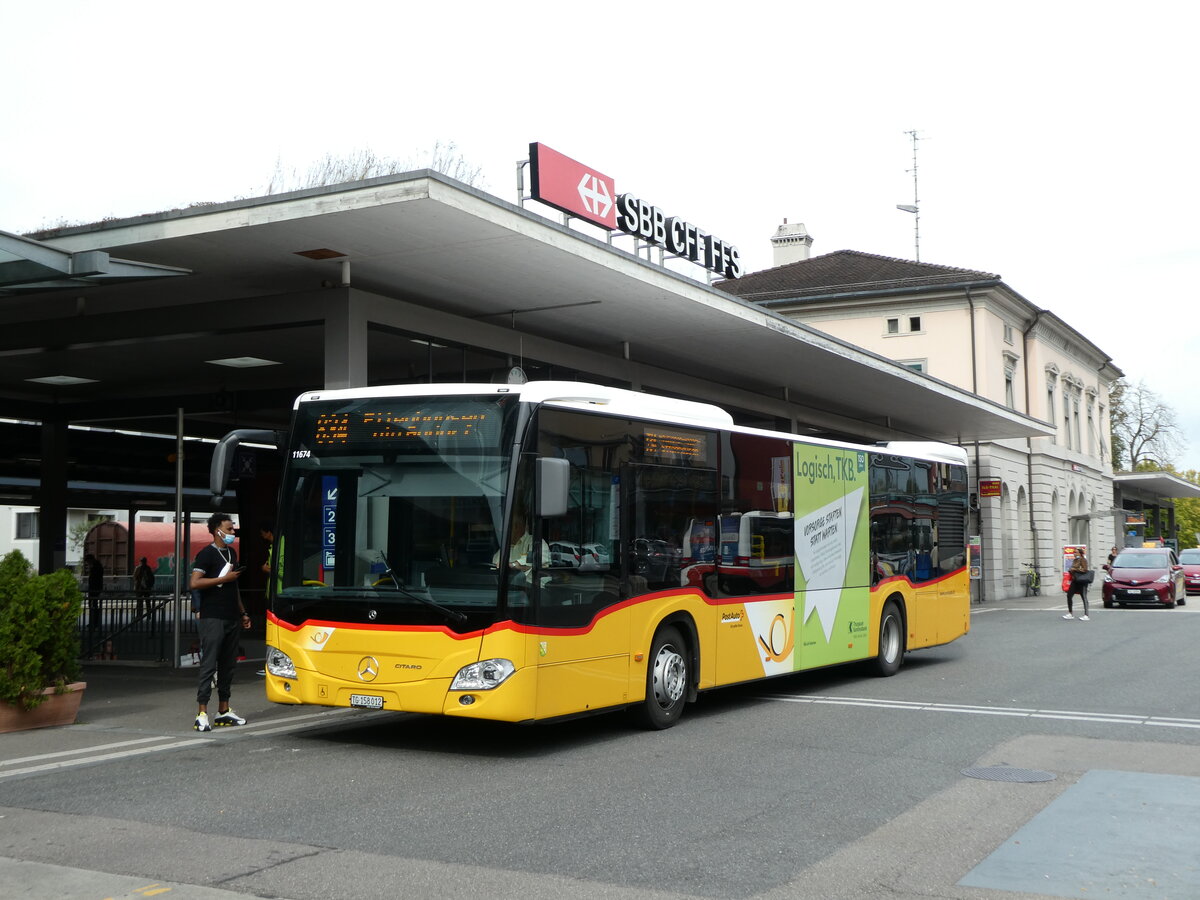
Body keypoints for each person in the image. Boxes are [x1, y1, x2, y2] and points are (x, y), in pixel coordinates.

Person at [190, 512, 251, 731]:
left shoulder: (231, 553)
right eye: (228, 529)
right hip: (212, 616)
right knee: (209, 664)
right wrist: (222, 579)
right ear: (216, 530)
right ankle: (202, 712)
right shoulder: (206, 554)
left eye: (232, 529)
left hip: (231, 616)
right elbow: (194, 583)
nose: (232, 532)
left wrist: (243, 613)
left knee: (228, 665)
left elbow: (233, 588)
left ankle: (224, 710)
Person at [1063, 547, 1090, 621]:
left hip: (1082, 581)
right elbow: (1073, 569)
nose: (1074, 553)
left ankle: (1086, 615)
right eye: (1074, 552)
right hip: (1075, 580)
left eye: (1076, 552)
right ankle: (1070, 613)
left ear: (1080, 553)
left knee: (1083, 597)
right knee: (1069, 595)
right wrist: (1071, 570)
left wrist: (1075, 569)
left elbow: (1085, 569)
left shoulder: (1083, 560)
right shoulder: (1075, 560)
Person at [83, 553, 104, 631]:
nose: (87, 563)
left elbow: (94, 578)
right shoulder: (97, 565)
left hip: (94, 588)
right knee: (93, 605)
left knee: (93, 605)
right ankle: (94, 622)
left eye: (88, 562)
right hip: (95, 588)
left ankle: (94, 622)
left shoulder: (96, 567)